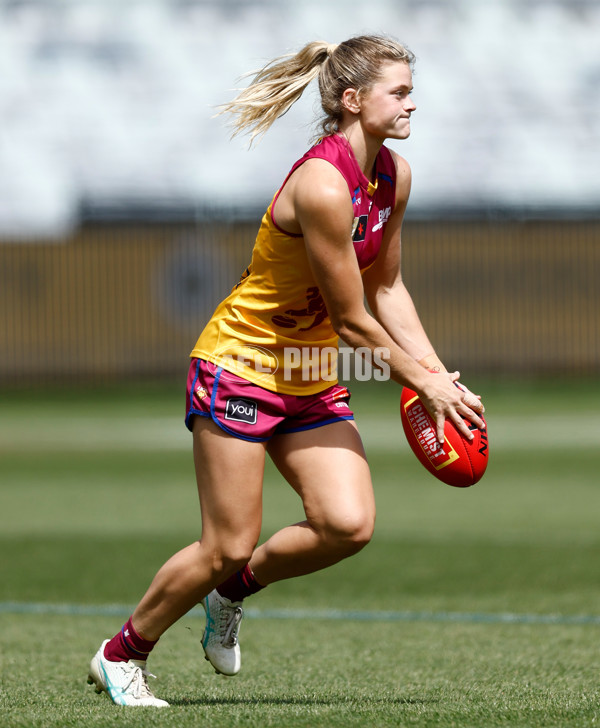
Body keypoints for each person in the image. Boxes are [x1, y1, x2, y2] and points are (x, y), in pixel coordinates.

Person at [87, 34, 485, 707]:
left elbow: (388, 290)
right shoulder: (324, 185)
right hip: (240, 365)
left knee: (346, 524)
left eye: (412, 90)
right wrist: (425, 385)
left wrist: (440, 372)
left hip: (307, 369)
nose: (413, 102)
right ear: (353, 100)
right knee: (228, 542)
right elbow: (356, 319)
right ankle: (121, 656)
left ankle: (228, 597)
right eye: (400, 91)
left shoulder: (394, 175)